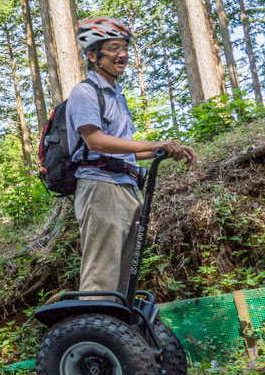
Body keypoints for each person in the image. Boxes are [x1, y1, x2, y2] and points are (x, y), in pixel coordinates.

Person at [67, 17, 196, 295]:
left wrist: (166, 150)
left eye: (124, 48)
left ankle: (116, 332)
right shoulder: (85, 92)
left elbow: (126, 149)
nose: (122, 55)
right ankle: (95, 335)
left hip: (126, 187)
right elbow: (95, 140)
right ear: (92, 55)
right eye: (113, 48)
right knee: (101, 278)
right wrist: (154, 142)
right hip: (101, 188)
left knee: (123, 280)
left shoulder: (117, 96)